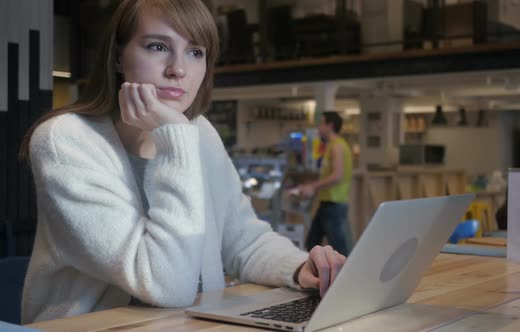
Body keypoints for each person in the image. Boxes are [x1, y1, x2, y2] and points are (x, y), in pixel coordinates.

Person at [19, 0, 345, 324]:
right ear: (118, 57)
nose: (178, 69)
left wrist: (301, 268)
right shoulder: (65, 141)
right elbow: (166, 285)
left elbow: (246, 242)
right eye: (158, 46)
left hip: (191, 323)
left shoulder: (199, 132)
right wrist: (173, 136)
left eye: (195, 52)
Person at [297, 112, 354, 256]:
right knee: (312, 242)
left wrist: (313, 186)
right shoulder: (331, 146)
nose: (319, 127)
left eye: (321, 123)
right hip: (327, 203)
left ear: (330, 126)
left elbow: (337, 176)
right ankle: (315, 273)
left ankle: (346, 276)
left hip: (334, 204)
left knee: (339, 247)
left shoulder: (337, 147)